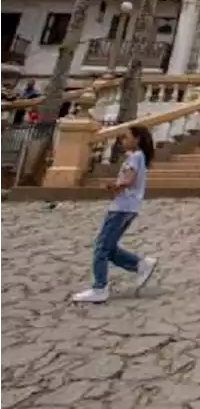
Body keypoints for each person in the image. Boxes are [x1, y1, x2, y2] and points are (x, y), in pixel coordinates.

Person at [72, 125, 159, 303]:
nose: (123, 140)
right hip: (128, 207)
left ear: (137, 139)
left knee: (101, 247)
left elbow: (128, 179)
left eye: (126, 137)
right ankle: (140, 264)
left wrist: (113, 186)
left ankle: (100, 288)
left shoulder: (135, 157)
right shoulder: (139, 157)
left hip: (122, 207)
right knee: (108, 248)